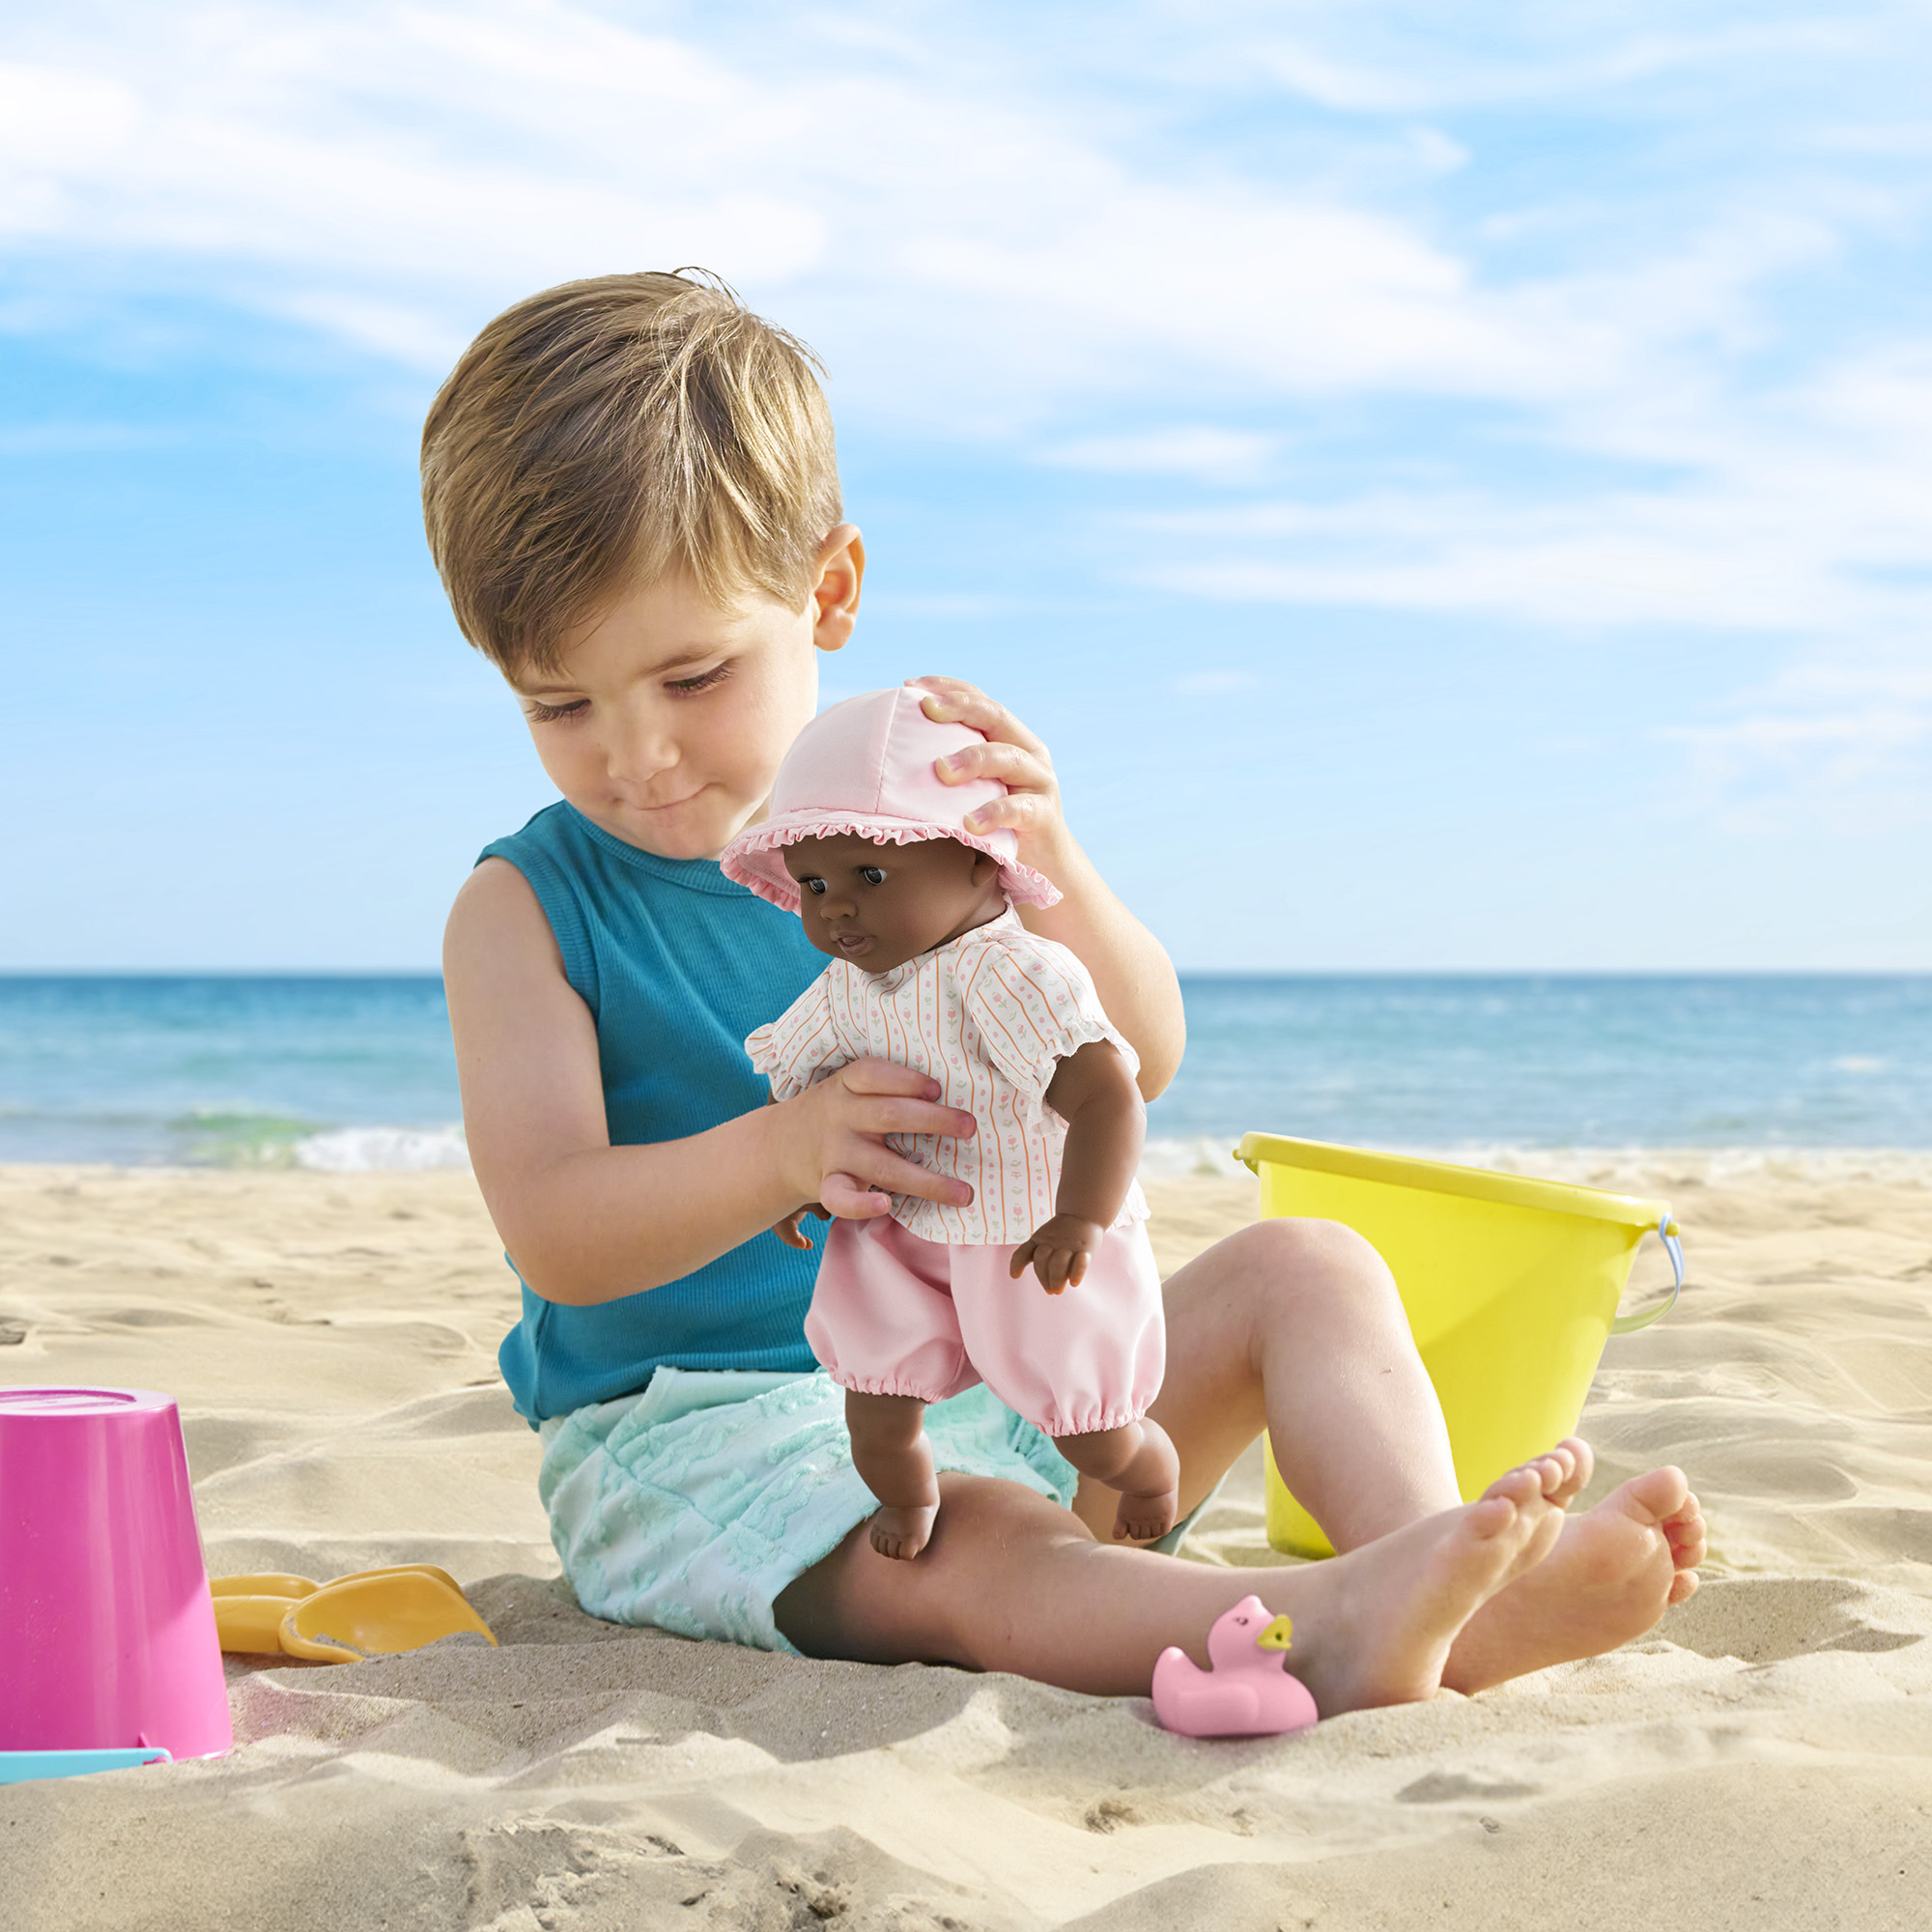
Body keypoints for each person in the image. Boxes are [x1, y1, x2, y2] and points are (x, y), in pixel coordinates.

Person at [427, 269, 1705, 1713]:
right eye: (561, 705)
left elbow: (1140, 1055)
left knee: (1312, 1266)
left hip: (1007, 1376)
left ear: (827, 592)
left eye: (693, 676)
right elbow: (560, 1231)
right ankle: (1331, 1626)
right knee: (983, 1540)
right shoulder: (529, 908)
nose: (638, 756)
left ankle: (1432, 1579)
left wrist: (1050, 858)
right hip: (710, 1449)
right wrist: (784, 1151)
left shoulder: (928, 834)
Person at [721, 686, 1179, 1560]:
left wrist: (1081, 1215)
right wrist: (799, 1176)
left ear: (977, 863)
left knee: (1090, 1428)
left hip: (1027, 1229)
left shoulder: (1009, 974)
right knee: (877, 1402)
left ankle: (1149, 1470)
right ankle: (909, 1502)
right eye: (815, 883)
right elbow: (802, 1087)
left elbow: (1109, 1094)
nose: (837, 907)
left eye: (870, 876)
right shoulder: (849, 987)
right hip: (903, 1230)